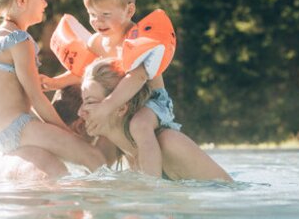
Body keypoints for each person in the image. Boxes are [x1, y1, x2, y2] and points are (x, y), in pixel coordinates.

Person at [45, 0, 178, 178]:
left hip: (151, 102)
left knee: (139, 126)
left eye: (105, 15)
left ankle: (153, 183)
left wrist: (107, 106)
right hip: (119, 104)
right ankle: (100, 180)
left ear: (129, 10)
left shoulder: (135, 40)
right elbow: (84, 71)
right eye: (92, 15)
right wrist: (54, 83)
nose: (97, 22)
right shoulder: (96, 42)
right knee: (102, 137)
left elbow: (138, 78)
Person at [0, 0, 105, 177]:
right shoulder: (19, 39)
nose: (45, 3)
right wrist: (66, 134)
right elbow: (36, 98)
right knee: (93, 157)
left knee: (75, 153)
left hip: (1, 133)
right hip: (18, 128)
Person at [79, 58, 232, 182]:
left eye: (90, 102)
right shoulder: (120, 152)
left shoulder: (170, 144)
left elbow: (226, 193)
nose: (80, 112)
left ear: (120, 108)